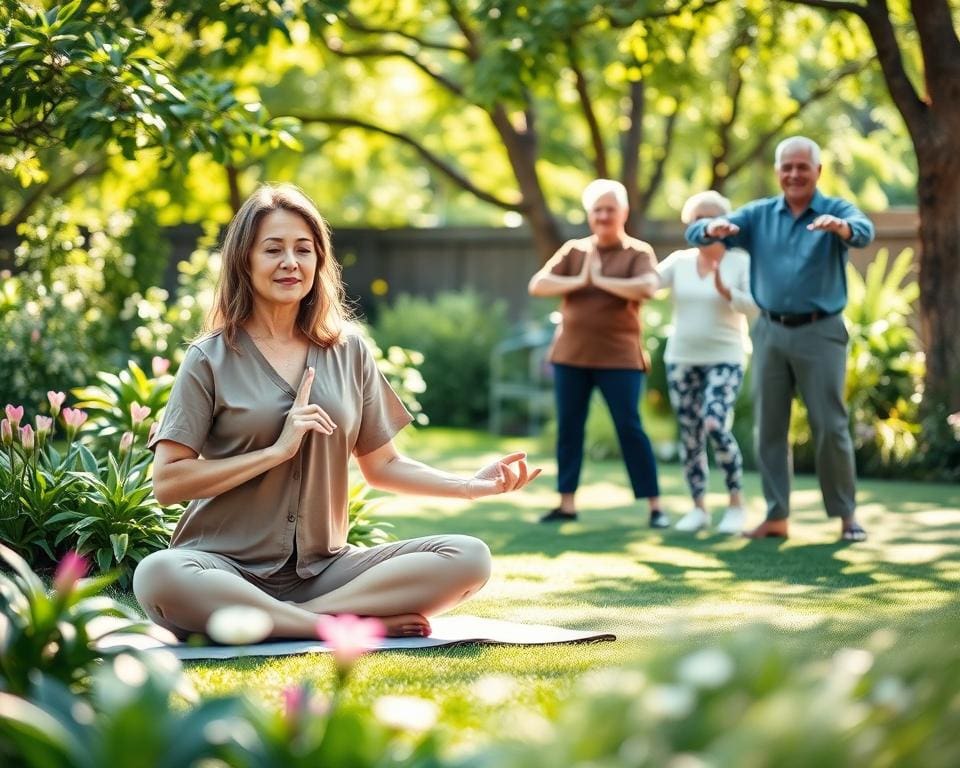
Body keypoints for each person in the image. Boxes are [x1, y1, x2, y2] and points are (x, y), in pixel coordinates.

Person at [133, 184, 540, 640]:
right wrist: (274, 452)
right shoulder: (209, 358)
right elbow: (168, 483)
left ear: (318, 262)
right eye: (273, 249)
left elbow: (384, 466)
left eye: (303, 250)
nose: (291, 262)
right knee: (157, 575)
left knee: (468, 557)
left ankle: (297, 619)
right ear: (244, 261)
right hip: (222, 568)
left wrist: (469, 486)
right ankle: (331, 625)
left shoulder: (349, 352)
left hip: (324, 572)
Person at [685, 136, 874, 542]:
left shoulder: (835, 208)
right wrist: (709, 228)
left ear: (817, 171)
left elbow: (864, 231)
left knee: (830, 426)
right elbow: (696, 232)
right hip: (769, 330)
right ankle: (776, 516)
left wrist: (841, 228)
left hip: (820, 331)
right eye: (786, 167)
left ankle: (846, 517)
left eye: (802, 166)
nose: (793, 174)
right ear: (777, 172)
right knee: (769, 428)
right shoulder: (757, 216)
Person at [528, 179, 665, 528]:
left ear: (624, 213)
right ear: (590, 215)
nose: (603, 216)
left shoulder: (638, 252)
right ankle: (567, 504)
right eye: (597, 210)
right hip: (571, 356)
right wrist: (580, 281)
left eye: (610, 209)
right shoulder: (574, 251)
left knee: (629, 427)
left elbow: (648, 287)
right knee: (570, 428)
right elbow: (538, 284)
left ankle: (654, 507)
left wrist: (602, 280)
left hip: (620, 358)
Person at [656, 191, 758, 534]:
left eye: (711, 217)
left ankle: (736, 504)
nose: (704, 224)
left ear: (725, 225)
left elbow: (754, 307)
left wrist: (727, 292)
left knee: (715, 424)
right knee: (691, 435)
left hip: (725, 357)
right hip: (682, 358)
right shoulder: (678, 261)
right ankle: (698, 507)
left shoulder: (740, 261)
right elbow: (649, 284)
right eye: (697, 219)